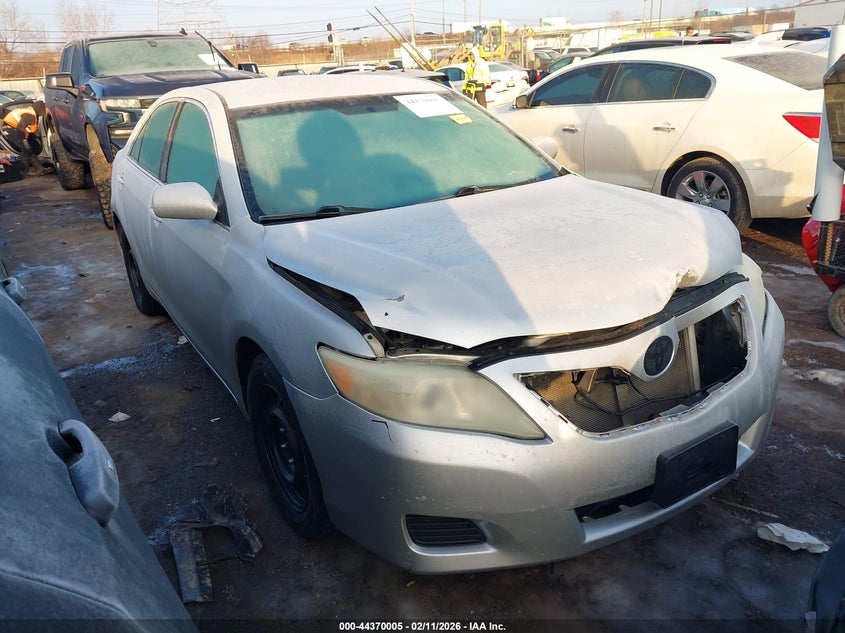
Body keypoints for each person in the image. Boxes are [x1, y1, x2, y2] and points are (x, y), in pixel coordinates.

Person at [2, 100, 49, 176]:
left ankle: (40, 168)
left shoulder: (31, 112)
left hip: (17, 129)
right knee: (25, 149)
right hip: (10, 128)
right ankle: (24, 171)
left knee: (30, 148)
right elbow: (20, 128)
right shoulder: (30, 116)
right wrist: (24, 140)